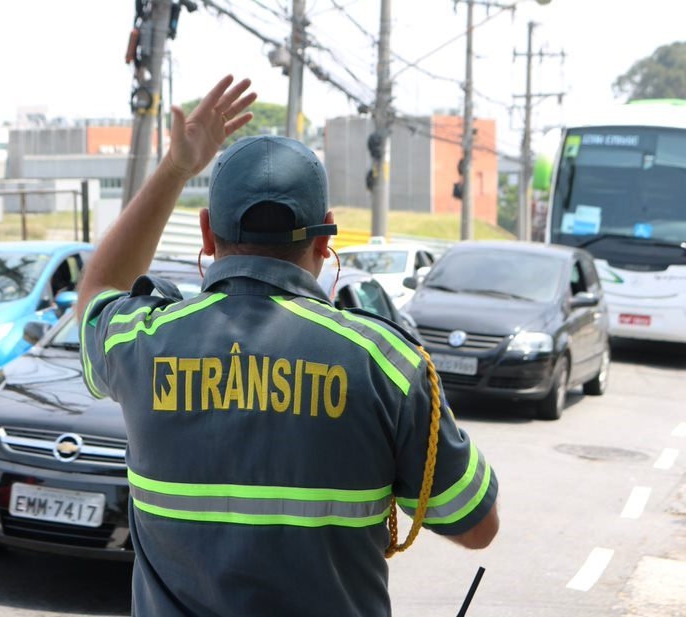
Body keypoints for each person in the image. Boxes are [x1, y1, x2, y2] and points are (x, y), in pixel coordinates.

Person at [77, 75, 499, 617]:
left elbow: (98, 289)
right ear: (326, 238)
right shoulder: (387, 366)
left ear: (207, 233)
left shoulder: (139, 342)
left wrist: (177, 169)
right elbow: (477, 526)